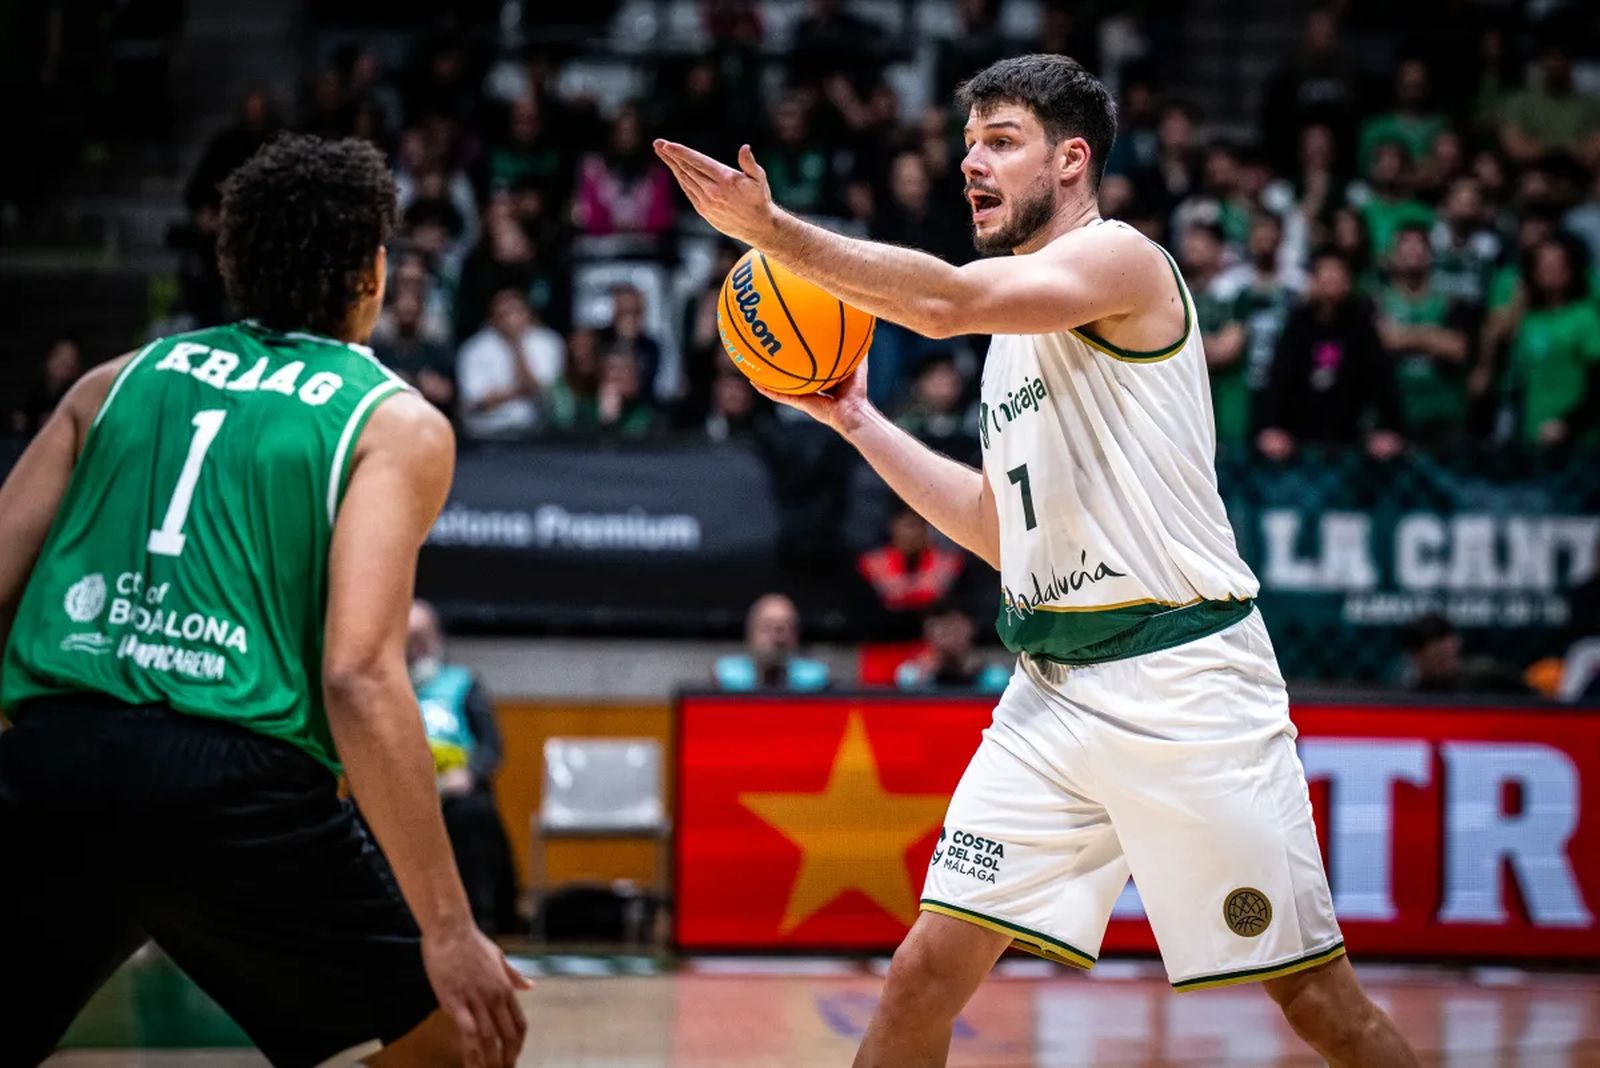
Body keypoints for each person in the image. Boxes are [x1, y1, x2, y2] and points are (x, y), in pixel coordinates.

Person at [656, 53, 1417, 1067]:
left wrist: (772, 232)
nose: (971, 163)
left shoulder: (1122, 262)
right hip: (1051, 691)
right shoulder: (1010, 336)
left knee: (1318, 1004)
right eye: (968, 144)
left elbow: (940, 303)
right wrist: (853, 419)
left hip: (1183, 684)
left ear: (1070, 160)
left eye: (1001, 142)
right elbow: (1000, 533)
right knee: (922, 975)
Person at [0, 135, 527, 1067]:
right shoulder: (393, 421)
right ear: (373, 273)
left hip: (56, 760)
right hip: (235, 787)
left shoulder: (110, 384)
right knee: (459, 1036)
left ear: (232, 261)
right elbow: (358, 674)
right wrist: (449, 927)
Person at [407, 601, 518, 936]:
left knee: (474, 815)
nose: (417, 646)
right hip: (402, 791)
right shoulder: (385, 688)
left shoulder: (463, 683)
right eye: (409, 638)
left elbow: (491, 747)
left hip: (456, 792)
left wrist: (468, 774)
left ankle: (479, 921)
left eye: (423, 637)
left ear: (437, 638)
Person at [1257, 251, 1406, 462]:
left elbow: (1382, 380)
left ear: (1348, 282)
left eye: (1337, 275)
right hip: (1299, 438)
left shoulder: (1362, 324)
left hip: (1354, 436)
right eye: (1325, 275)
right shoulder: (1297, 324)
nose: (1331, 281)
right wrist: (1272, 427)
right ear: (1312, 282)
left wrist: (1388, 428)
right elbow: (1278, 378)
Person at [457, 288, 564, 440]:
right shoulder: (474, 349)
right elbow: (477, 402)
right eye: (504, 314)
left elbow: (546, 395)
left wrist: (517, 345)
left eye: (516, 312)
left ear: (528, 314)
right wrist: (520, 392)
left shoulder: (548, 342)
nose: (511, 319)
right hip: (487, 432)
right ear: (492, 318)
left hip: (534, 432)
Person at [713, 594, 830, 692]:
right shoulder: (725, 677)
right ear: (750, 632)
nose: (777, 639)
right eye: (767, 628)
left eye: (783, 629)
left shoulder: (815, 680)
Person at [895, 601, 1010, 693]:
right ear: (927, 633)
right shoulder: (912, 675)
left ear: (971, 628)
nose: (949, 638)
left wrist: (975, 674)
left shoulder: (994, 676)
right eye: (942, 631)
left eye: (955, 629)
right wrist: (924, 677)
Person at [9, 336, 85, 438]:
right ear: (47, 359)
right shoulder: (33, 391)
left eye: (71, 357)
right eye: (59, 355)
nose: (64, 362)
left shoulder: (77, 395)